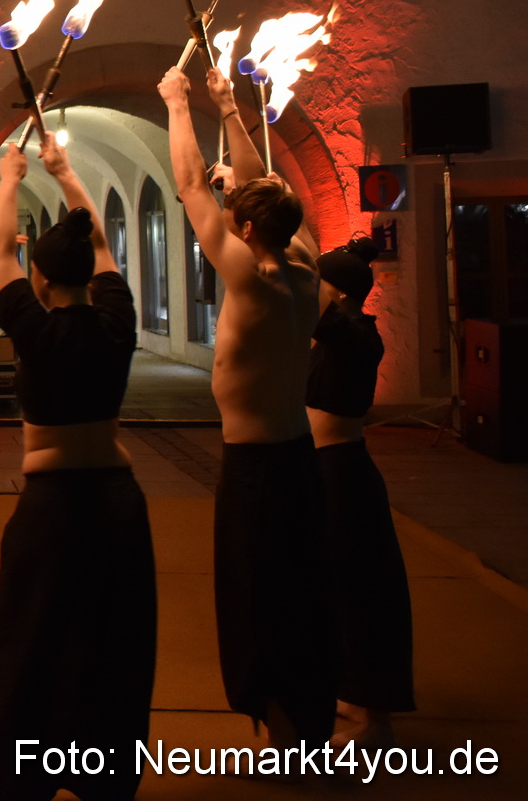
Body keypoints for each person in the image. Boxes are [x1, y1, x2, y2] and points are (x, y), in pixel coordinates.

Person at [0, 134, 155, 801]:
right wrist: (67, 175)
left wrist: (10, 176)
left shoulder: (32, 327)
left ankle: (17, 777)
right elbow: (100, 248)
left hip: (51, 509)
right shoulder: (117, 319)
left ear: (39, 278)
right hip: (118, 501)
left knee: (28, 648)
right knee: (111, 645)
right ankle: (103, 777)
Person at [161, 64, 336, 749]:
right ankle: (303, 732)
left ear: (248, 226)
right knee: (302, 595)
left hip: (257, 470)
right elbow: (262, 187)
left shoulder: (252, 276)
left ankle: (287, 740)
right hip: (297, 456)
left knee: (261, 604)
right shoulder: (304, 262)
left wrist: (179, 106)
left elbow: (188, 186)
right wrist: (229, 107)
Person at [307, 234, 413, 747]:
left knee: (360, 591)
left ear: (342, 293)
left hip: (343, 474)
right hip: (324, 471)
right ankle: (351, 690)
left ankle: (377, 715)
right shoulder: (335, 334)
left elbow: (296, 285)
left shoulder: (356, 333)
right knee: (333, 589)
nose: (311, 291)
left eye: (318, 283)